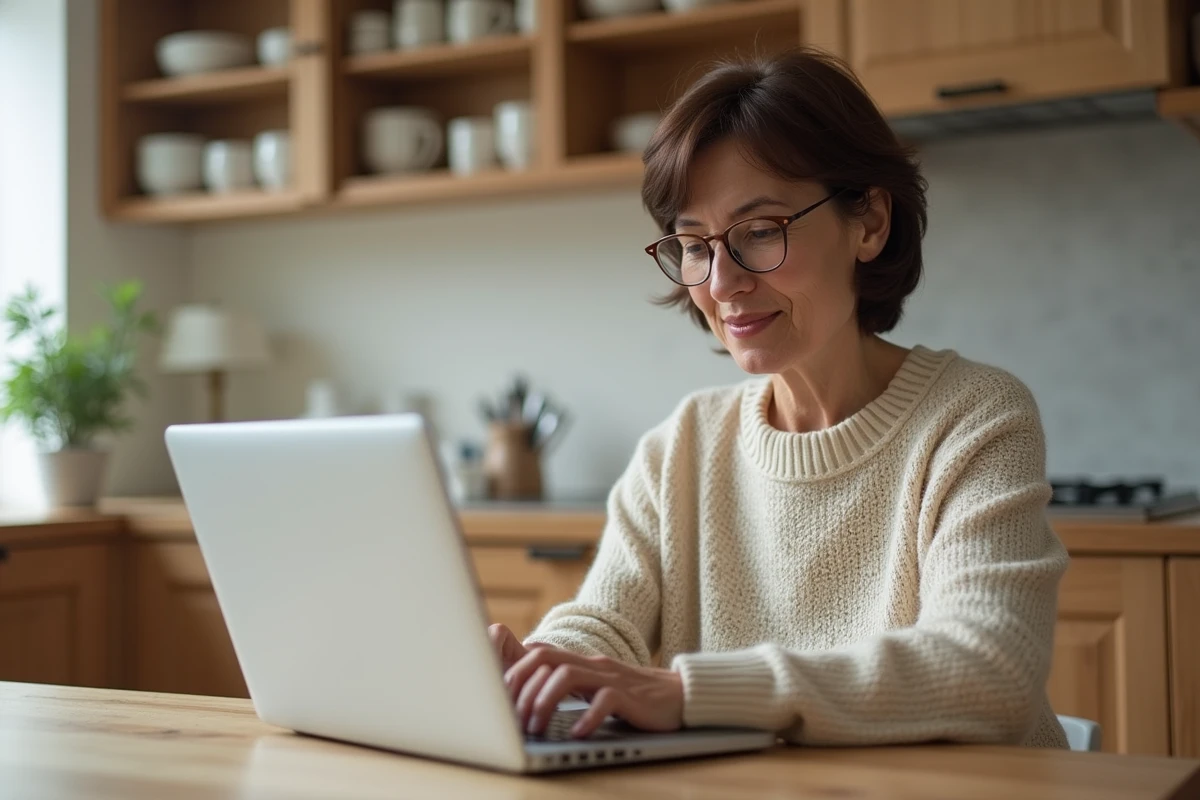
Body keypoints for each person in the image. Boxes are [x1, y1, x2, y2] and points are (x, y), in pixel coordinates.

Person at [489, 46, 1070, 749]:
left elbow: (989, 667)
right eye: (696, 244)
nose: (723, 283)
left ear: (870, 223)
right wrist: (538, 666)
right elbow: (605, 623)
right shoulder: (684, 444)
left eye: (760, 232)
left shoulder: (974, 416)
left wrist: (688, 693)